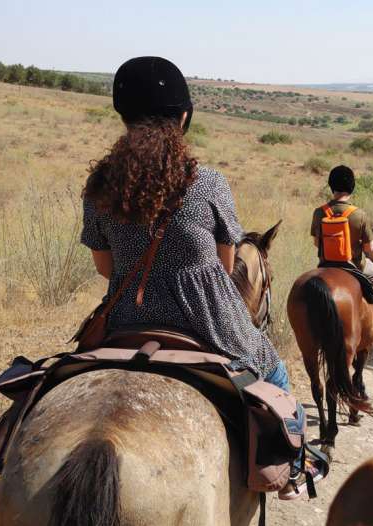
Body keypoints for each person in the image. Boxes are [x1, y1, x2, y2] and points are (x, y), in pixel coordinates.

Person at [80, 56, 324, 498]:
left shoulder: (99, 187)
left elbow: (105, 268)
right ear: (184, 116)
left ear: (122, 115)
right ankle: (291, 467)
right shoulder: (206, 182)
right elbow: (226, 263)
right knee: (275, 369)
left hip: (124, 324)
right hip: (207, 323)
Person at [310, 166, 373, 344]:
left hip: (324, 265)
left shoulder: (319, 212)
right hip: (355, 265)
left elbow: (316, 243)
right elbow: (369, 250)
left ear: (331, 186)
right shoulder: (359, 215)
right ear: (351, 187)